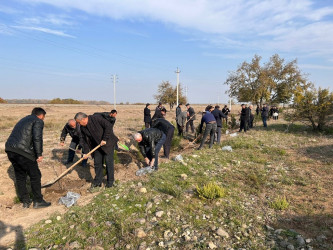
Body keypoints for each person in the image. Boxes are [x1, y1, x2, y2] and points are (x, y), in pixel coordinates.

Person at [5, 107, 51, 208]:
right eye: (44, 117)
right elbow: (37, 138)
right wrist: (39, 154)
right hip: (23, 152)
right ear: (41, 115)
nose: (43, 119)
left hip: (10, 149)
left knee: (20, 176)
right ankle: (38, 201)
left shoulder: (23, 119)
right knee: (35, 175)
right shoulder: (38, 121)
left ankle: (25, 201)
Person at [75, 112, 118, 188]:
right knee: (97, 163)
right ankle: (98, 182)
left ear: (84, 119)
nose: (79, 124)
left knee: (108, 163)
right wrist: (85, 153)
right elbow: (85, 141)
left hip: (108, 143)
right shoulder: (82, 128)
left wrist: (104, 139)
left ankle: (110, 182)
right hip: (96, 146)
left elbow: (108, 126)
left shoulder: (96, 118)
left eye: (79, 122)